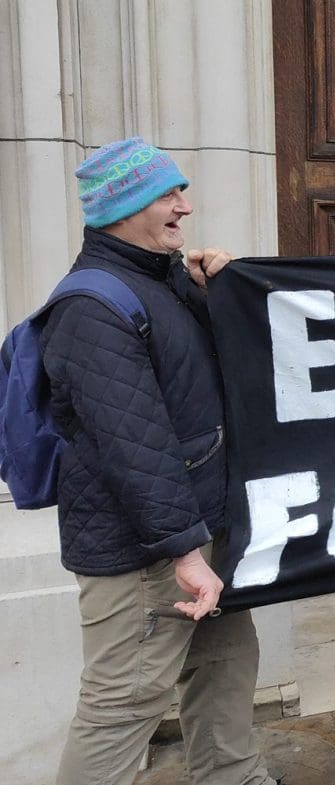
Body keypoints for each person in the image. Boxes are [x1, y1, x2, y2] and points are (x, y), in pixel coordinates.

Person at [46, 138, 278, 784]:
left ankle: (232, 776)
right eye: (169, 194)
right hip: (147, 557)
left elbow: (208, 384)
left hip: (197, 536)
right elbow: (135, 446)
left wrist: (219, 290)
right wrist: (185, 553)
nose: (187, 206)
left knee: (225, 662)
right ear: (124, 204)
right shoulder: (91, 308)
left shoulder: (164, 279)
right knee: (124, 703)